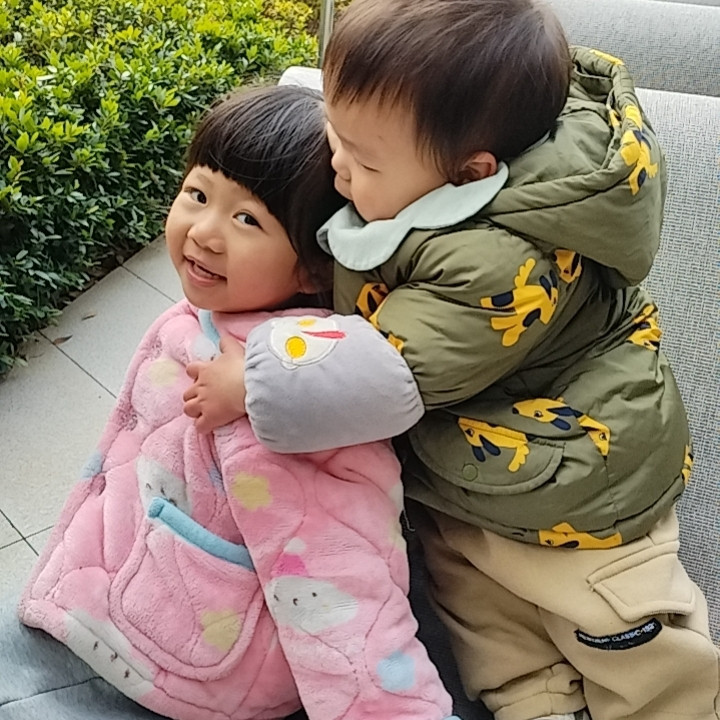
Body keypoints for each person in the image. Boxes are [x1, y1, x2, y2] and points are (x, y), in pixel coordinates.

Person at [180, 1, 720, 720]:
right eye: (336, 135)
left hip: (580, 487)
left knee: (623, 634)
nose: (337, 165)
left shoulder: (500, 258)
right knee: (497, 647)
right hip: (474, 484)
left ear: (471, 173)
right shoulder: (429, 180)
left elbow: (391, 369)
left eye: (363, 160)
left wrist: (253, 382)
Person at [9, 85, 461, 720]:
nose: (204, 232)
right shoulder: (211, 316)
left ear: (314, 267)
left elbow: (339, 579)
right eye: (198, 194)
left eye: (248, 220)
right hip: (124, 597)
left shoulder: (286, 394)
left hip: (175, 667)